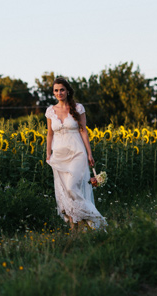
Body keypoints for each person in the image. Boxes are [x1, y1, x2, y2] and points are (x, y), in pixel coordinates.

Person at [45, 77, 107, 231]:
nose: (59, 93)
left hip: (77, 153)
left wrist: (89, 153)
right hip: (59, 155)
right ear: (53, 93)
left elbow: (83, 131)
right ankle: (75, 228)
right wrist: (48, 154)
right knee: (65, 191)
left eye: (62, 90)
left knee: (72, 187)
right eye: (56, 90)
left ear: (67, 91)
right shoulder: (50, 111)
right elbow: (49, 134)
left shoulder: (78, 108)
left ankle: (95, 218)